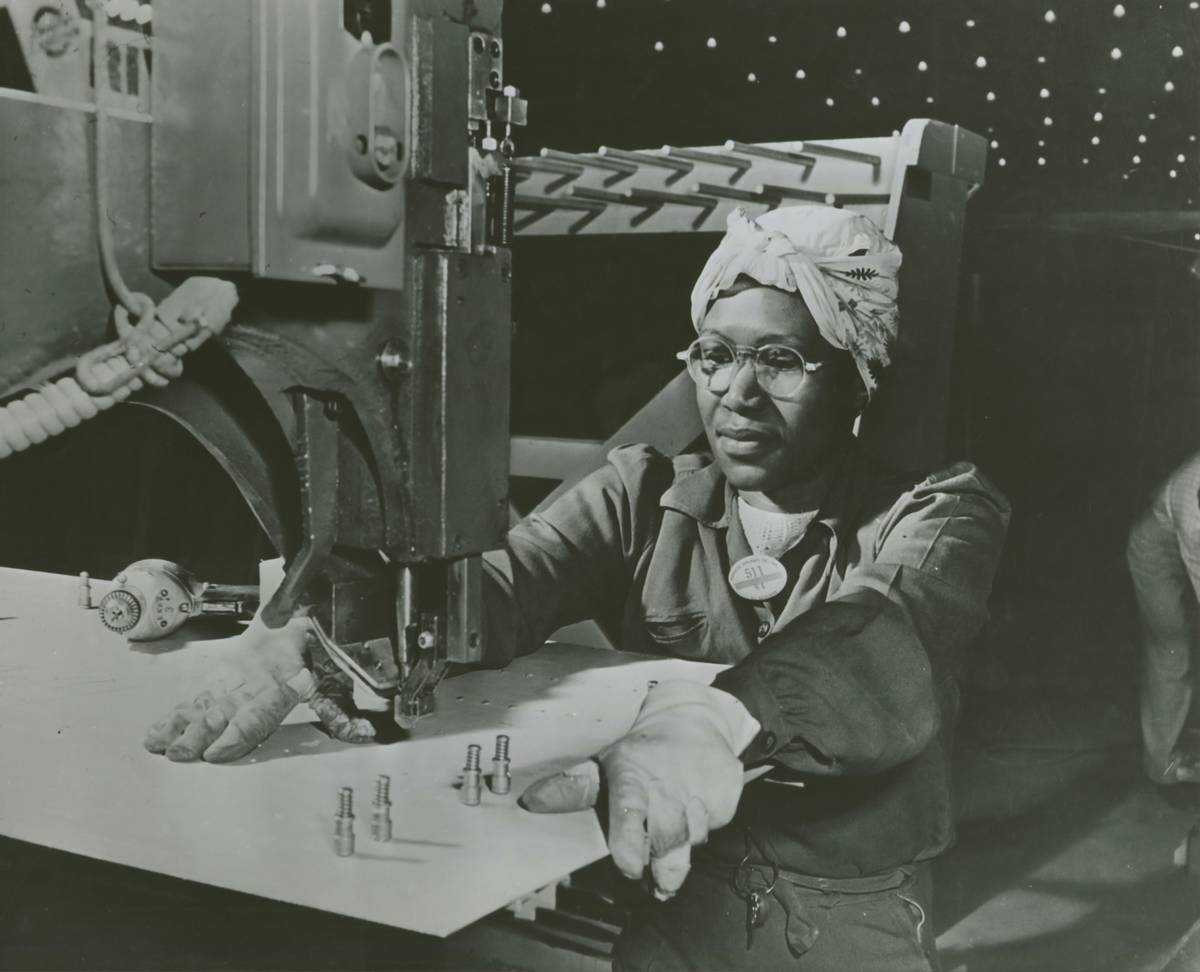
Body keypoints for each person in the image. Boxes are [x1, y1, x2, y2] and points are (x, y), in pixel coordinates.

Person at [145, 205, 1010, 971]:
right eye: (714, 355)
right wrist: (320, 635)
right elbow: (498, 586)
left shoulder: (939, 511)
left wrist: (713, 721)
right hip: (669, 900)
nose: (737, 394)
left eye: (780, 360)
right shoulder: (640, 495)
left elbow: (885, 628)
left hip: (840, 922)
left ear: (857, 374)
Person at [1127, 449, 1200, 787]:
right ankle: (1163, 765)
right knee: (1172, 652)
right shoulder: (1195, 523)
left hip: (1176, 525)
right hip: (1154, 551)